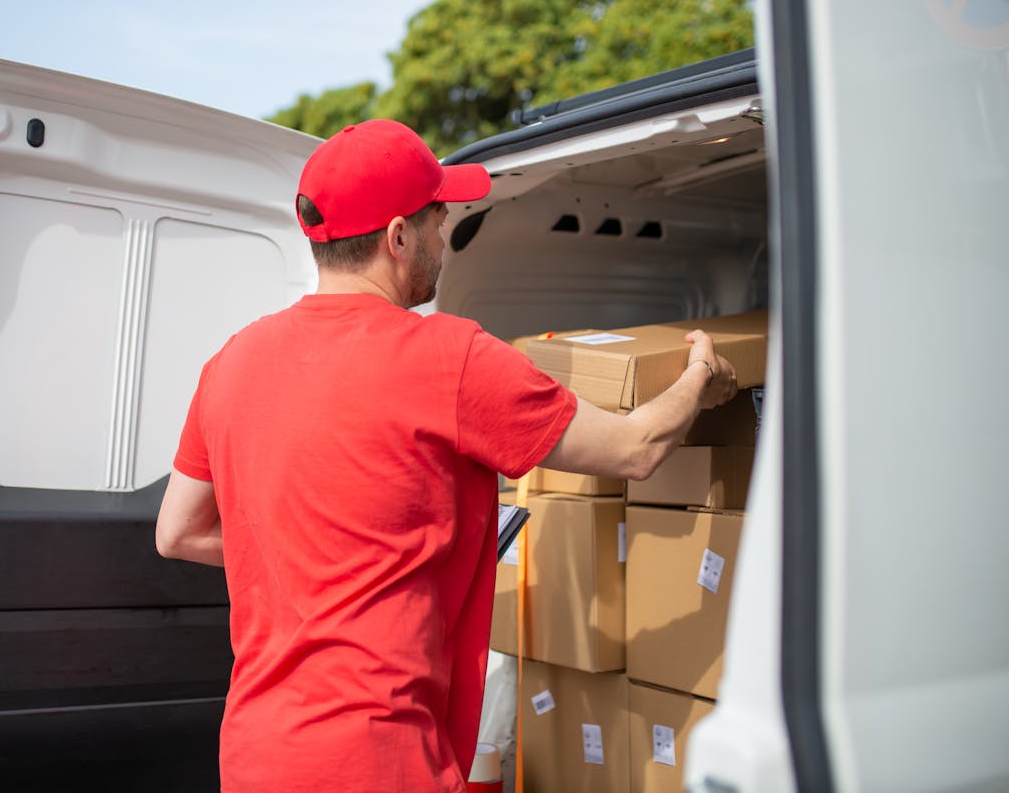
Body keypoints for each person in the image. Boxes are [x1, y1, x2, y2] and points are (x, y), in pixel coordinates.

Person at [156, 119, 738, 792]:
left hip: (256, 756)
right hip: (380, 760)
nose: (445, 240)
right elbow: (637, 448)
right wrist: (701, 378)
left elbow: (179, 532)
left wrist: (314, 558)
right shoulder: (449, 358)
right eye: (442, 220)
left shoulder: (231, 363)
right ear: (399, 236)